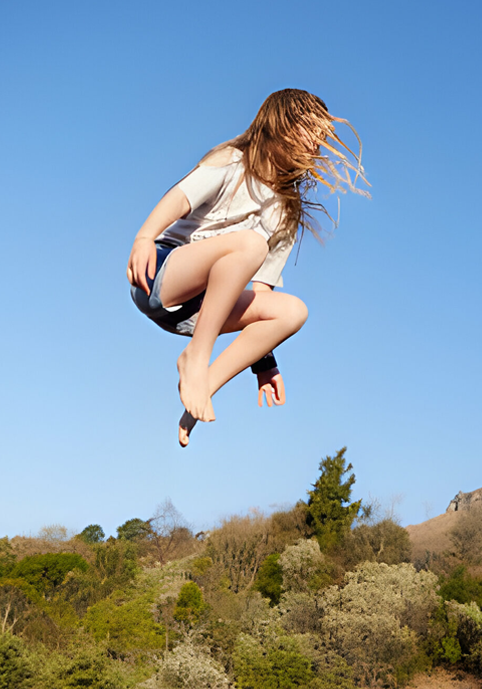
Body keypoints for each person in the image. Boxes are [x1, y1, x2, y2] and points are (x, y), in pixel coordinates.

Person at [127, 88, 369, 447]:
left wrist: (264, 363)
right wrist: (144, 237)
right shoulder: (233, 161)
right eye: (310, 129)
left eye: (322, 137)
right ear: (282, 123)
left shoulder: (287, 214)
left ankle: (203, 385)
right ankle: (197, 356)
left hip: (201, 311)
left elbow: (258, 293)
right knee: (250, 243)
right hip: (161, 275)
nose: (317, 142)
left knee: (293, 312)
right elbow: (179, 197)